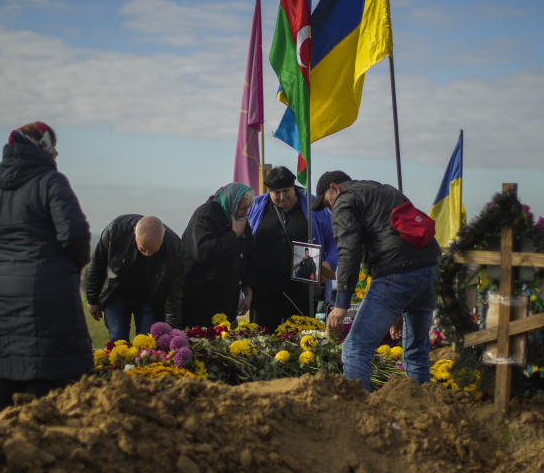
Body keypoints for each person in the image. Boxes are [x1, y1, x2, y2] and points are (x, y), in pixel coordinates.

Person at [0, 121, 92, 414]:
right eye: (53, 145)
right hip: (47, 287)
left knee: (9, 363)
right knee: (46, 365)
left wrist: (9, 261)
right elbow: (74, 233)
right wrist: (70, 263)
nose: (57, 153)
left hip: (2, 289)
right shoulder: (51, 183)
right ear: (42, 148)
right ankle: (42, 440)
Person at [312, 170, 440, 391]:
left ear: (335, 188)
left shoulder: (344, 200)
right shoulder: (385, 190)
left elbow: (348, 250)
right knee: (416, 353)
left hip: (396, 272)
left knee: (355, 348)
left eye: (328, 204)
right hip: (430, 269)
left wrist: (341, 304)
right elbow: (402, 233)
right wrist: (399, 307)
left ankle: (360, 417)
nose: (331, 211)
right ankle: (423, 415)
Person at [248, 166, 337, 331]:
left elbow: (334, 240)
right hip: (263, 290)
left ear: (294, 188)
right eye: (276, 193)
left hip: (302, 289)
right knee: (261, 337)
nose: (282, 197)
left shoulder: (313, 206)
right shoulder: (256, 206)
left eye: (285, 191)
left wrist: (329, 263)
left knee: (302, 339)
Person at [86, 214, 183, 342]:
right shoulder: (116, 230)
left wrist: (172, 333)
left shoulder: (175, 249)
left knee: (147, 342)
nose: (147, 254)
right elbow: (97, 263)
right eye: (143, 249)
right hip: (116, 293)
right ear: (135, 232)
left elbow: (174, 294)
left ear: (163, 237)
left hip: (149, 299)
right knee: (117, 339)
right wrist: (92, 299)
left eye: (153, 251)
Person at [181, 182, 255, 327]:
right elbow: (203, 252)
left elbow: (247, 255)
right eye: (243, 208)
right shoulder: (205, 215)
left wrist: (248, 288)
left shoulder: (240, 221)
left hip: (227, 301)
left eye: (248, 209)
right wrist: (233, 235)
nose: (245, 213)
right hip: (200, 300)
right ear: (231, 203)